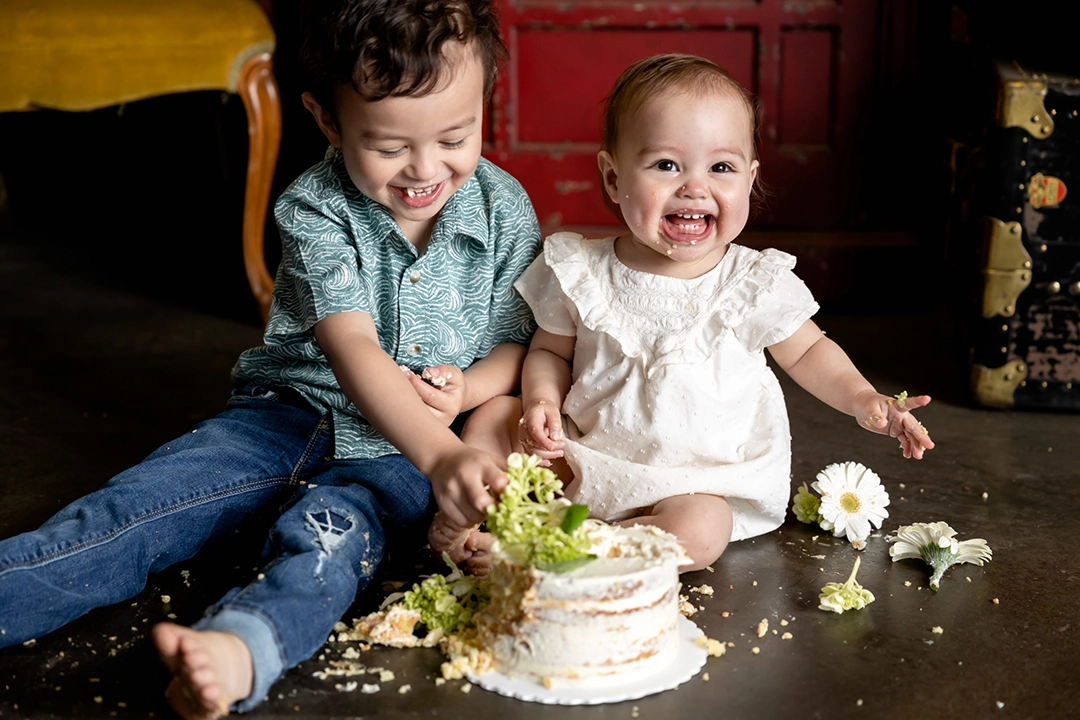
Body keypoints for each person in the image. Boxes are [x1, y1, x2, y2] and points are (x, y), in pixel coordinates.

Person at [0, 1, 541, 718]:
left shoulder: (506, 211)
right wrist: (443, 457)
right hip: (285, 417)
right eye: (387, 146)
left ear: (483, 105)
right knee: (137, 510)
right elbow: (350, 347)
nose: (423, 168)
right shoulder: (315, 207)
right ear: (327, 120)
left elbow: (516, 341)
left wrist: (469, 387)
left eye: (454, 136)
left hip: (394, 458)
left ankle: (238, 646)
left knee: (332, 545)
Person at [429, 53, 934, 576]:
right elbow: (550, 351)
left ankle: (581, 547)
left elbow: (808, 350)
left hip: (693, 485)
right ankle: (477, 515)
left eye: (721, 167)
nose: (695, 187)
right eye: (666, 165)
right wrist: (540, 402)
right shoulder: (582, 268)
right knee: (493, 418)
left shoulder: (750, 282)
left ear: (750, 178)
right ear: (612, 177)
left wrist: (863, 398)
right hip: (581, 457)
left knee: (702, 530)